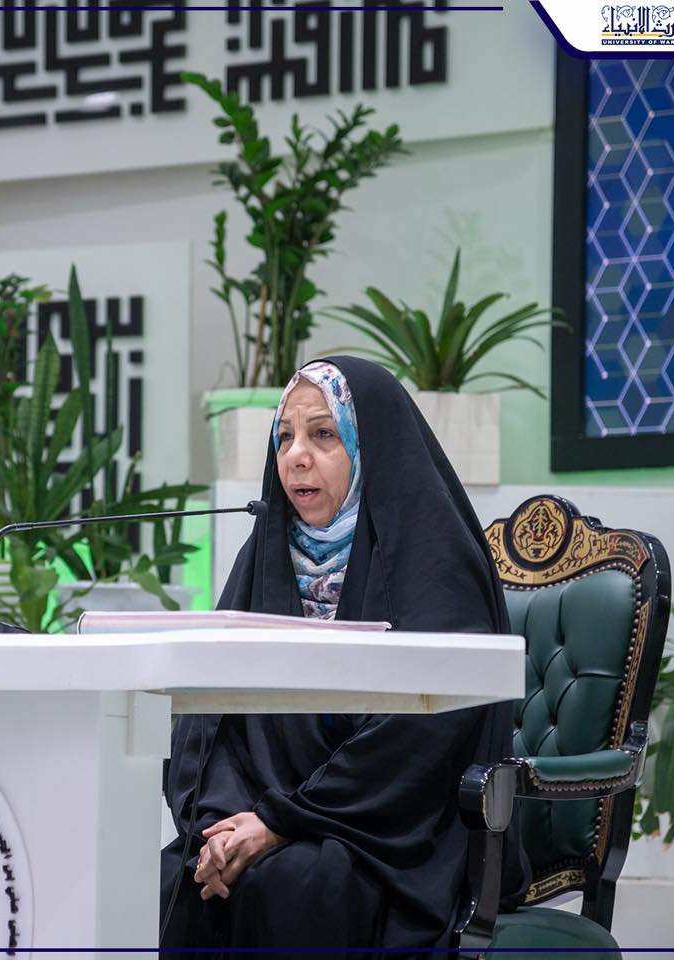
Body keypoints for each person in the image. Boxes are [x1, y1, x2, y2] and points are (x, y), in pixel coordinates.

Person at [160, 357, 527, 958]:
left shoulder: (434, 559)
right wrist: (220, 825)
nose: (295, 456)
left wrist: (282, 821)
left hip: (387, 834)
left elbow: (424, 734)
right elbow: (209, 714)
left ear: (370, 445)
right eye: (284, 437)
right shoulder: (266, 554)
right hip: (267, 817)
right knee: (178, 879)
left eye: (323, 434)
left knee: (294, 885)